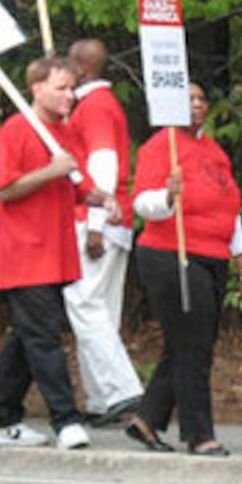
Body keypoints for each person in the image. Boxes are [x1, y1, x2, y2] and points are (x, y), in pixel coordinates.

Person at [0, 57, 119, 451]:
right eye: (60, 87)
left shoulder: (62, 132)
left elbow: (77, 184)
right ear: (36, 88)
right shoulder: (16, 129)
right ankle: (67, 420)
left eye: (72, 87)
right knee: (43, 337)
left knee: (27, 338)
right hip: (26, 252)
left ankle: (1, 418)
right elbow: (3, 190)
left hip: (57, 251)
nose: (69, 95)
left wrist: (102, 198)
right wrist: (51, 170)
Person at [126, 82, 242, 457]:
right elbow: (142, 203)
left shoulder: (214, 151)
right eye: (189, 99)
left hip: (214, 254)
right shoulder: (159, 147)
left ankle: (146, 420)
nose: (197, 105)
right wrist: (168, 195)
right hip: (171, 253)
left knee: (186, 343)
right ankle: (199, 434)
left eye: (202, 98)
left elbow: (230, 203)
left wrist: (240, 253)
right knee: (194, 345)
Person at [63, 38, 143, 426]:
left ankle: (122, 390)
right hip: (117, 217)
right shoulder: (103, 105)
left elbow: (104, 164)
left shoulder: (93, 107)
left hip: (98, 218)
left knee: (84, 303)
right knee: (102, 308)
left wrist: (95, 223)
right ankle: (101, 398)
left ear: (80, 69)